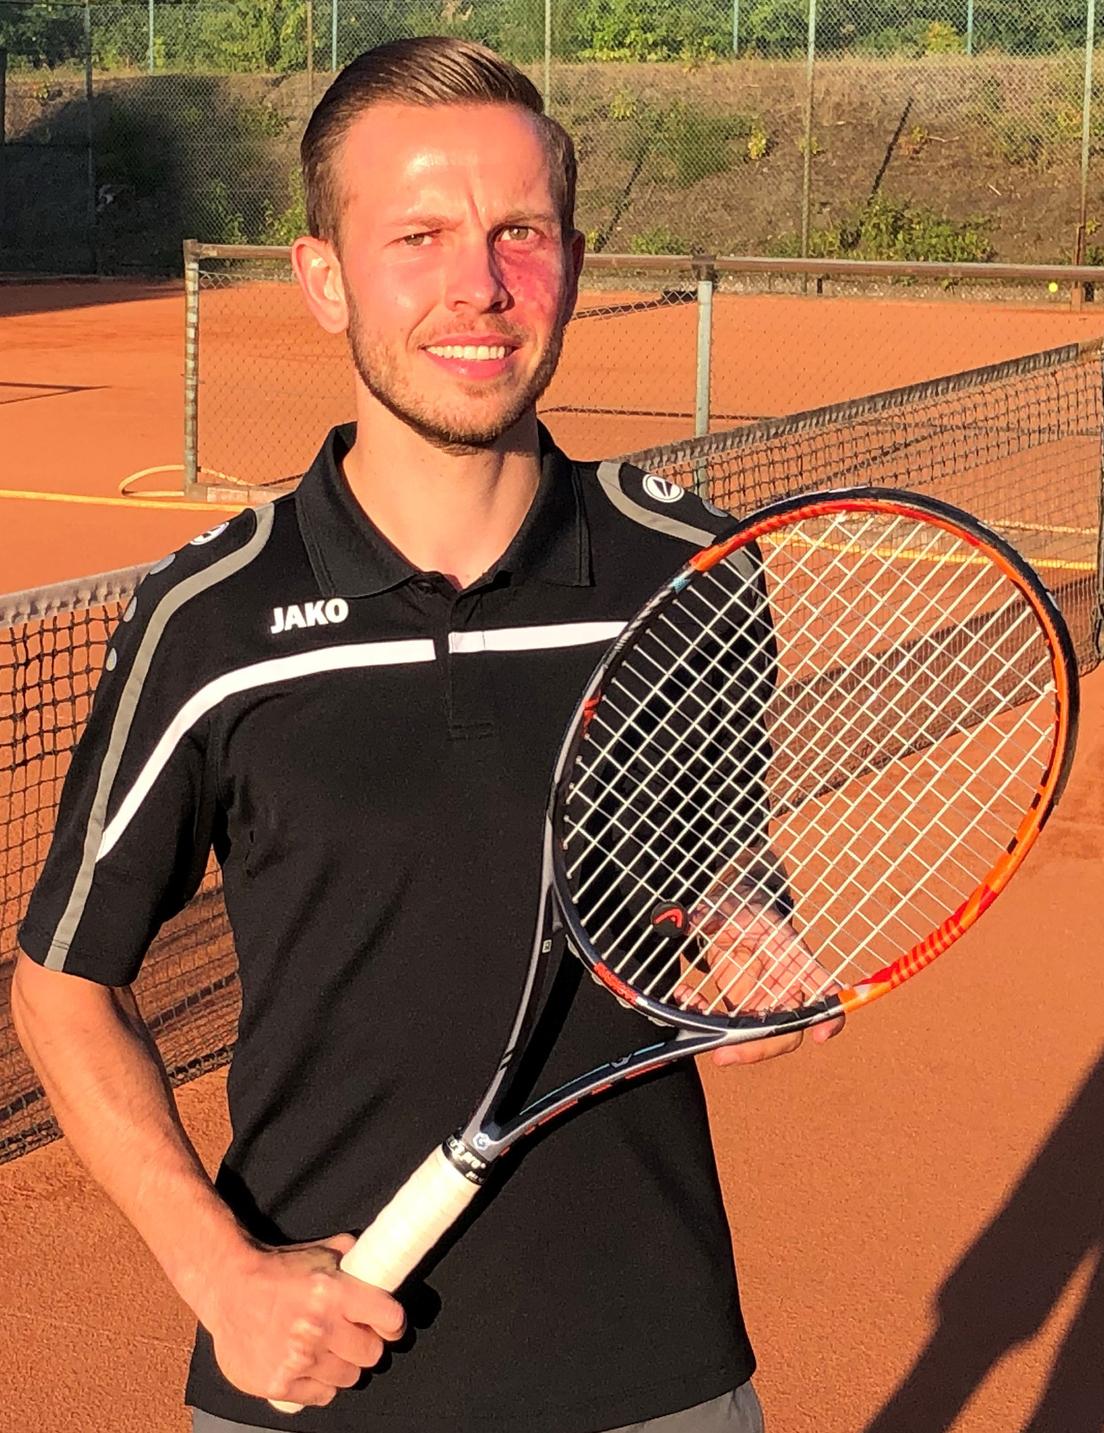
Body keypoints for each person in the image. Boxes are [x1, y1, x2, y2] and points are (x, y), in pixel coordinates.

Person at [12, 36, 842, 1433]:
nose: (478, 285)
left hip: (655, 1370)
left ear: (569, 258)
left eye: (517, 231)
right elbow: (60, 986)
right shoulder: (208, 622)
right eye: (420, 234)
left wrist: (748, 941)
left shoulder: (692, 575)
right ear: (322, 274)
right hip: (318, 1376)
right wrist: (222, 1276)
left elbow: (716, 866)